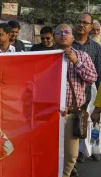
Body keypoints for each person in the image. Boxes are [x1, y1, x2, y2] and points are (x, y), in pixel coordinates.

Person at [54, 24, 97, 177]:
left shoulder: (82, 56)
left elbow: (92, 78)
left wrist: (75, 61)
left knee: (71, 155)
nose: (63, 34)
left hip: (72, 115)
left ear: (73, 38)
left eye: (67, 32)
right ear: (54, 37)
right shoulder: (46, 57)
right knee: (49, 152)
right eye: (59, 32)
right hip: (50, 116)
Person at [72, 12, 101, 164]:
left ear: (90, 27)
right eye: (79, 21)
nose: (82, 25)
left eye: (85, 23)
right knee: (71, 127)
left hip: (90, 95)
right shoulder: (67, 45)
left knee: (87, 125)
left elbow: (99, 75)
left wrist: (98, 105)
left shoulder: (96, 48)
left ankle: (86, 151)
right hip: (69, 97)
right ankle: (74, 155)